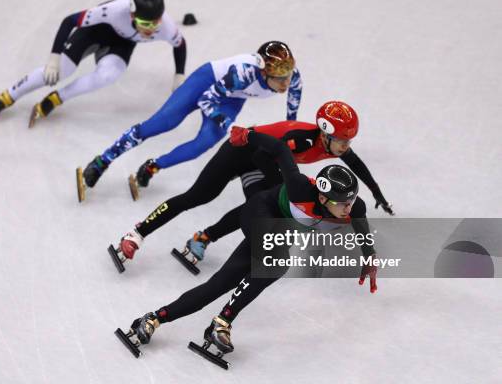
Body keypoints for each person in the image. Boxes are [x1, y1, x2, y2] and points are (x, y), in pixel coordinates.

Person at [117, 129, 378, 360]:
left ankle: (154, 318)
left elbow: (362, 228)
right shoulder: (299, 187)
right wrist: (247, 136)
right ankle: (223, 320)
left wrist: (369, 257)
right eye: (343, 203)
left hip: (277, 230)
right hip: (259, 211)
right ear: (322, 196)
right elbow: (278, 149)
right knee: (278, 262)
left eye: (351, 201)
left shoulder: (354, 208)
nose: (349, 208)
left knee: (219, 284)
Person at [114, 101, 393, 268]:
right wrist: (280, 187)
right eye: (343, 141)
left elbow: (356, 166)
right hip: (240, 153)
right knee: (196, 197)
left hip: (262, 161)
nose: (347, 147)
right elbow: (261, 153)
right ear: (326, 135)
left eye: (349, 142)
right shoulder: (304, 138)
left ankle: (203, 238)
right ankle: (136, 233)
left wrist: (377, 193)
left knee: (257, 207)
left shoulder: (336, 146)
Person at [78, 41, 303, 199]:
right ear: (263, 73)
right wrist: (225, 121)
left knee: (201, 145)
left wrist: (289, 137)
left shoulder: (293, 79)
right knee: (160, 124)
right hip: (207, 83)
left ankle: (153, 166)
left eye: (288, 76)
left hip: (231, 97)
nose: (285, 84)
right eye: (280, 79)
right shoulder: (243, 73)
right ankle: (102, 160)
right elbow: (206, 100)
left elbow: (291, 116)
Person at [0, 0, 186, 127]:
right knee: (59, 72)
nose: (152, 29)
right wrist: (54, 57)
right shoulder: (114, 10)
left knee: (108, 76)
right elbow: (69, 21)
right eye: (147, 24)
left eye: (156, 23)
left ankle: (58, 98)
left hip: (121, 44)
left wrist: (179, 74)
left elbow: (180, 45)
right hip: (93, 32)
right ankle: (8, 96)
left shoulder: (165, 26)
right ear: (132, 15)